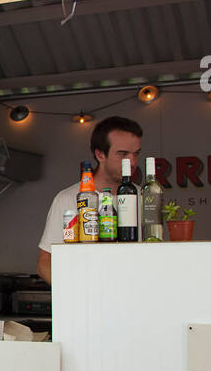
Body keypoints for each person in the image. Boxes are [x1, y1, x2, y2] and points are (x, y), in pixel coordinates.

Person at [35, 116, 142, 285]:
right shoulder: (69, 198)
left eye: (136, 154)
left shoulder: (142, 196)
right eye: (122, 154)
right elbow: (45, 263)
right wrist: (75, 294)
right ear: (100, 154)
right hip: (89, 301)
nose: (132, 162)